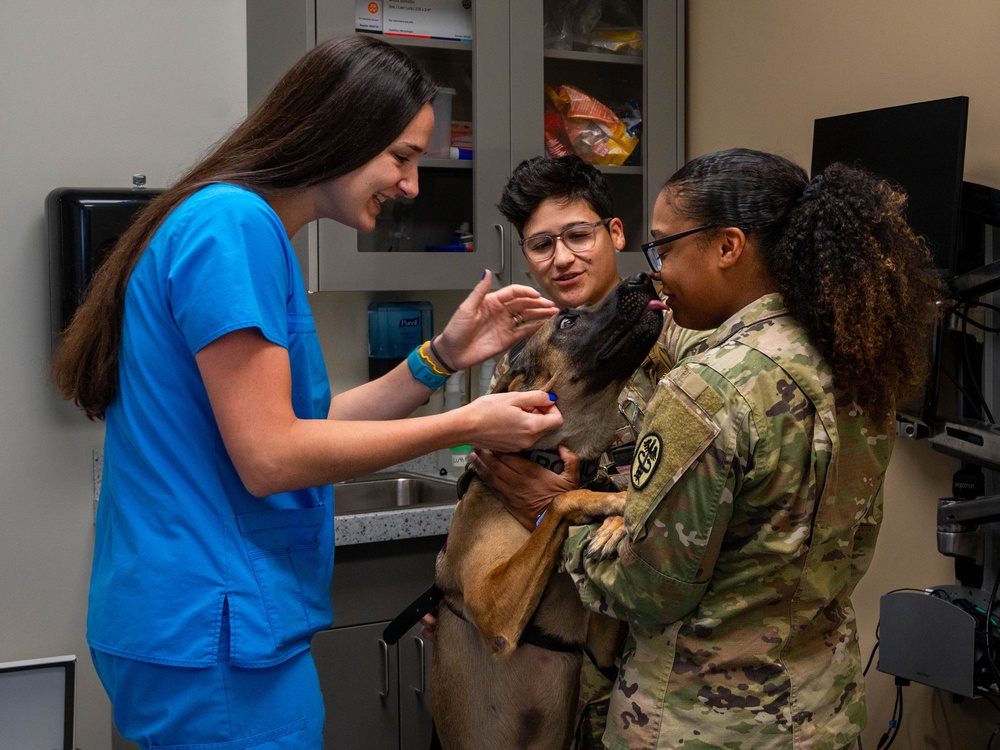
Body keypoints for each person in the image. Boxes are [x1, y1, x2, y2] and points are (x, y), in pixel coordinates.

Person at [50, 35, 563, 750]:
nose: (411, 184)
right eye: (403, 158)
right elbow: (272, 455)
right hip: (214, 632)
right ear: (343, 132)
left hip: (191, 624)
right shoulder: (236, 227)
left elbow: (301, 423)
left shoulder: (226, 220)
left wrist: (442, 356)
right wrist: (466, 424)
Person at [501, 148, 942, 749]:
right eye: (540, 244)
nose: (657, 271)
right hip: (818, 709)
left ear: (728, 247)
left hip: (703, 720)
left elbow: (647, 588)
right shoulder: (852, 359)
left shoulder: (706, 382)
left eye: (667, 249)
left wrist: (557, 511)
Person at [469, 154, 703, 748]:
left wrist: (562, 502)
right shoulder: (528, 348)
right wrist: (459, 591)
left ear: (615, 233)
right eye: (542, 244)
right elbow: (491, 490)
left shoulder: (677, 340)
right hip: (552, 651)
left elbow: (687, 514)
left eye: (578, 235)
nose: (563, 258)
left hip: (648, 661)